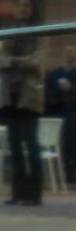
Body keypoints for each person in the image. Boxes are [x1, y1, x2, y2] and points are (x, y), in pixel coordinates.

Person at [0, 0, 45, 206]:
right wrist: (17, 61)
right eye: (20, 5)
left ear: (33, 10)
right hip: (10, 96)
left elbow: (36, 61)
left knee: (31, 144)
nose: (22, 8)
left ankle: (34, 194)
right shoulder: (9, 34)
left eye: (26, 5)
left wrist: (12, 60)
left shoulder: (39, 33)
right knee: (14, 145)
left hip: (29, 96)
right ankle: (18, 193)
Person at [45, 44, 76, 184]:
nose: (69, 54)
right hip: (59, 113)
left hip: (74, 113)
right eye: (66, 52)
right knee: (62, 145)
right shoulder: (56, 73)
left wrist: (71, 88)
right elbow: (48, 91)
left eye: (72, 52)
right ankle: (64, 176)